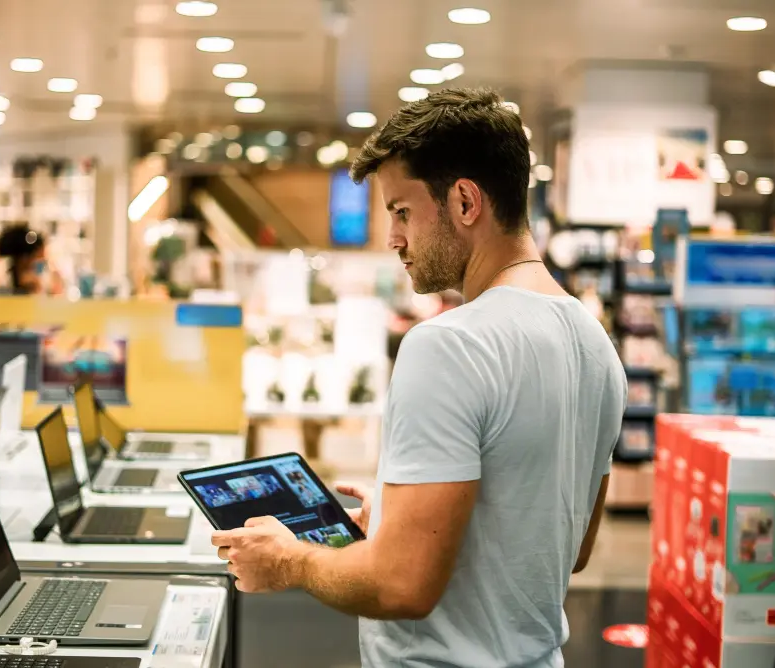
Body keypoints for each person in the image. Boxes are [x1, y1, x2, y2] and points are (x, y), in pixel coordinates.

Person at [211, 87, 626, 668]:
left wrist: (289, 559)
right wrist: (411, 519)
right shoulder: (595, 345)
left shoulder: (449, 344)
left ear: (464, 202)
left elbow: (400, 586)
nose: (393, 240)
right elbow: (566, 548)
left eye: (402, 211)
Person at [0, 224, 61, 295]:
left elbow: (53, 291)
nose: (42, 258)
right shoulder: (2, 271)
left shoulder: (41, 270)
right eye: (37, 255)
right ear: (24, 257)